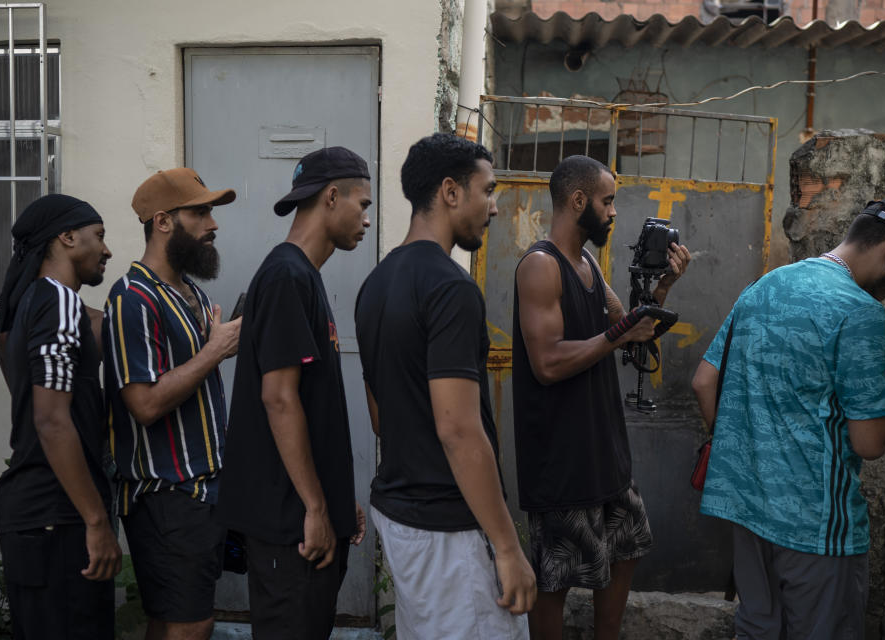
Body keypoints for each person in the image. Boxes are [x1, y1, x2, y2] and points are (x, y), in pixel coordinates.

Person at [691, 198, 885, 639]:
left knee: (758, 629)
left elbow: (704, 382)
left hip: (746, 512)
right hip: (818, 530)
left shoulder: (765, 285)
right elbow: (870, 443)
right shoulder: (859, 311)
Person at [355, 133, 536, 639]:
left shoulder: (376, 284)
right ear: (451, 192)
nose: (495, 208)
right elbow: (458, 428)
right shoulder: (451, 288)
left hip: (403, 521)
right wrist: (507, 547)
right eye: (489, 191)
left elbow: (380, 416)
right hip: (447, 531)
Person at [512, 155, 690, 640]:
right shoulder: (540, 267)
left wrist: (666, 286)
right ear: (577, 200)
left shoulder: (588, 262)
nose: (613, 212)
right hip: (561, 469)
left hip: (607, 461)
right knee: (554, 589)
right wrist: (617, 335)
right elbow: (547, 364)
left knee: (627, 558)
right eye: (607, 201)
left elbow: (629, 327)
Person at [216, 147, 372, 639]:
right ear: (331, 197)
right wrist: (317, 508)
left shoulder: (303, 276)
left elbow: (310, 404)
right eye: (362, 204)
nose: (367, 218)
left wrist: (337, 496)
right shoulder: (287, 276)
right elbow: (278, 398)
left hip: (303, 519)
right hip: (292, 529)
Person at [102, 168, 240, 640]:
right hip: (166, 495)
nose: (212, 224)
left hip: (200, 495)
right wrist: (214, 351)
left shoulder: (193, 294)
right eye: (200, 212)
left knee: (173, 620)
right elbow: (142, 403)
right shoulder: (132, 299)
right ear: (163, 222)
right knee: (192, 624)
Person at [0, 194, 120, 639]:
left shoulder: (34, 304)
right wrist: (97, 521)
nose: (107, 250)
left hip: (39, 519)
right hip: (56, 520)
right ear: (67, 237)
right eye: (99, 237)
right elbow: (51, 421)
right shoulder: (58, 302)